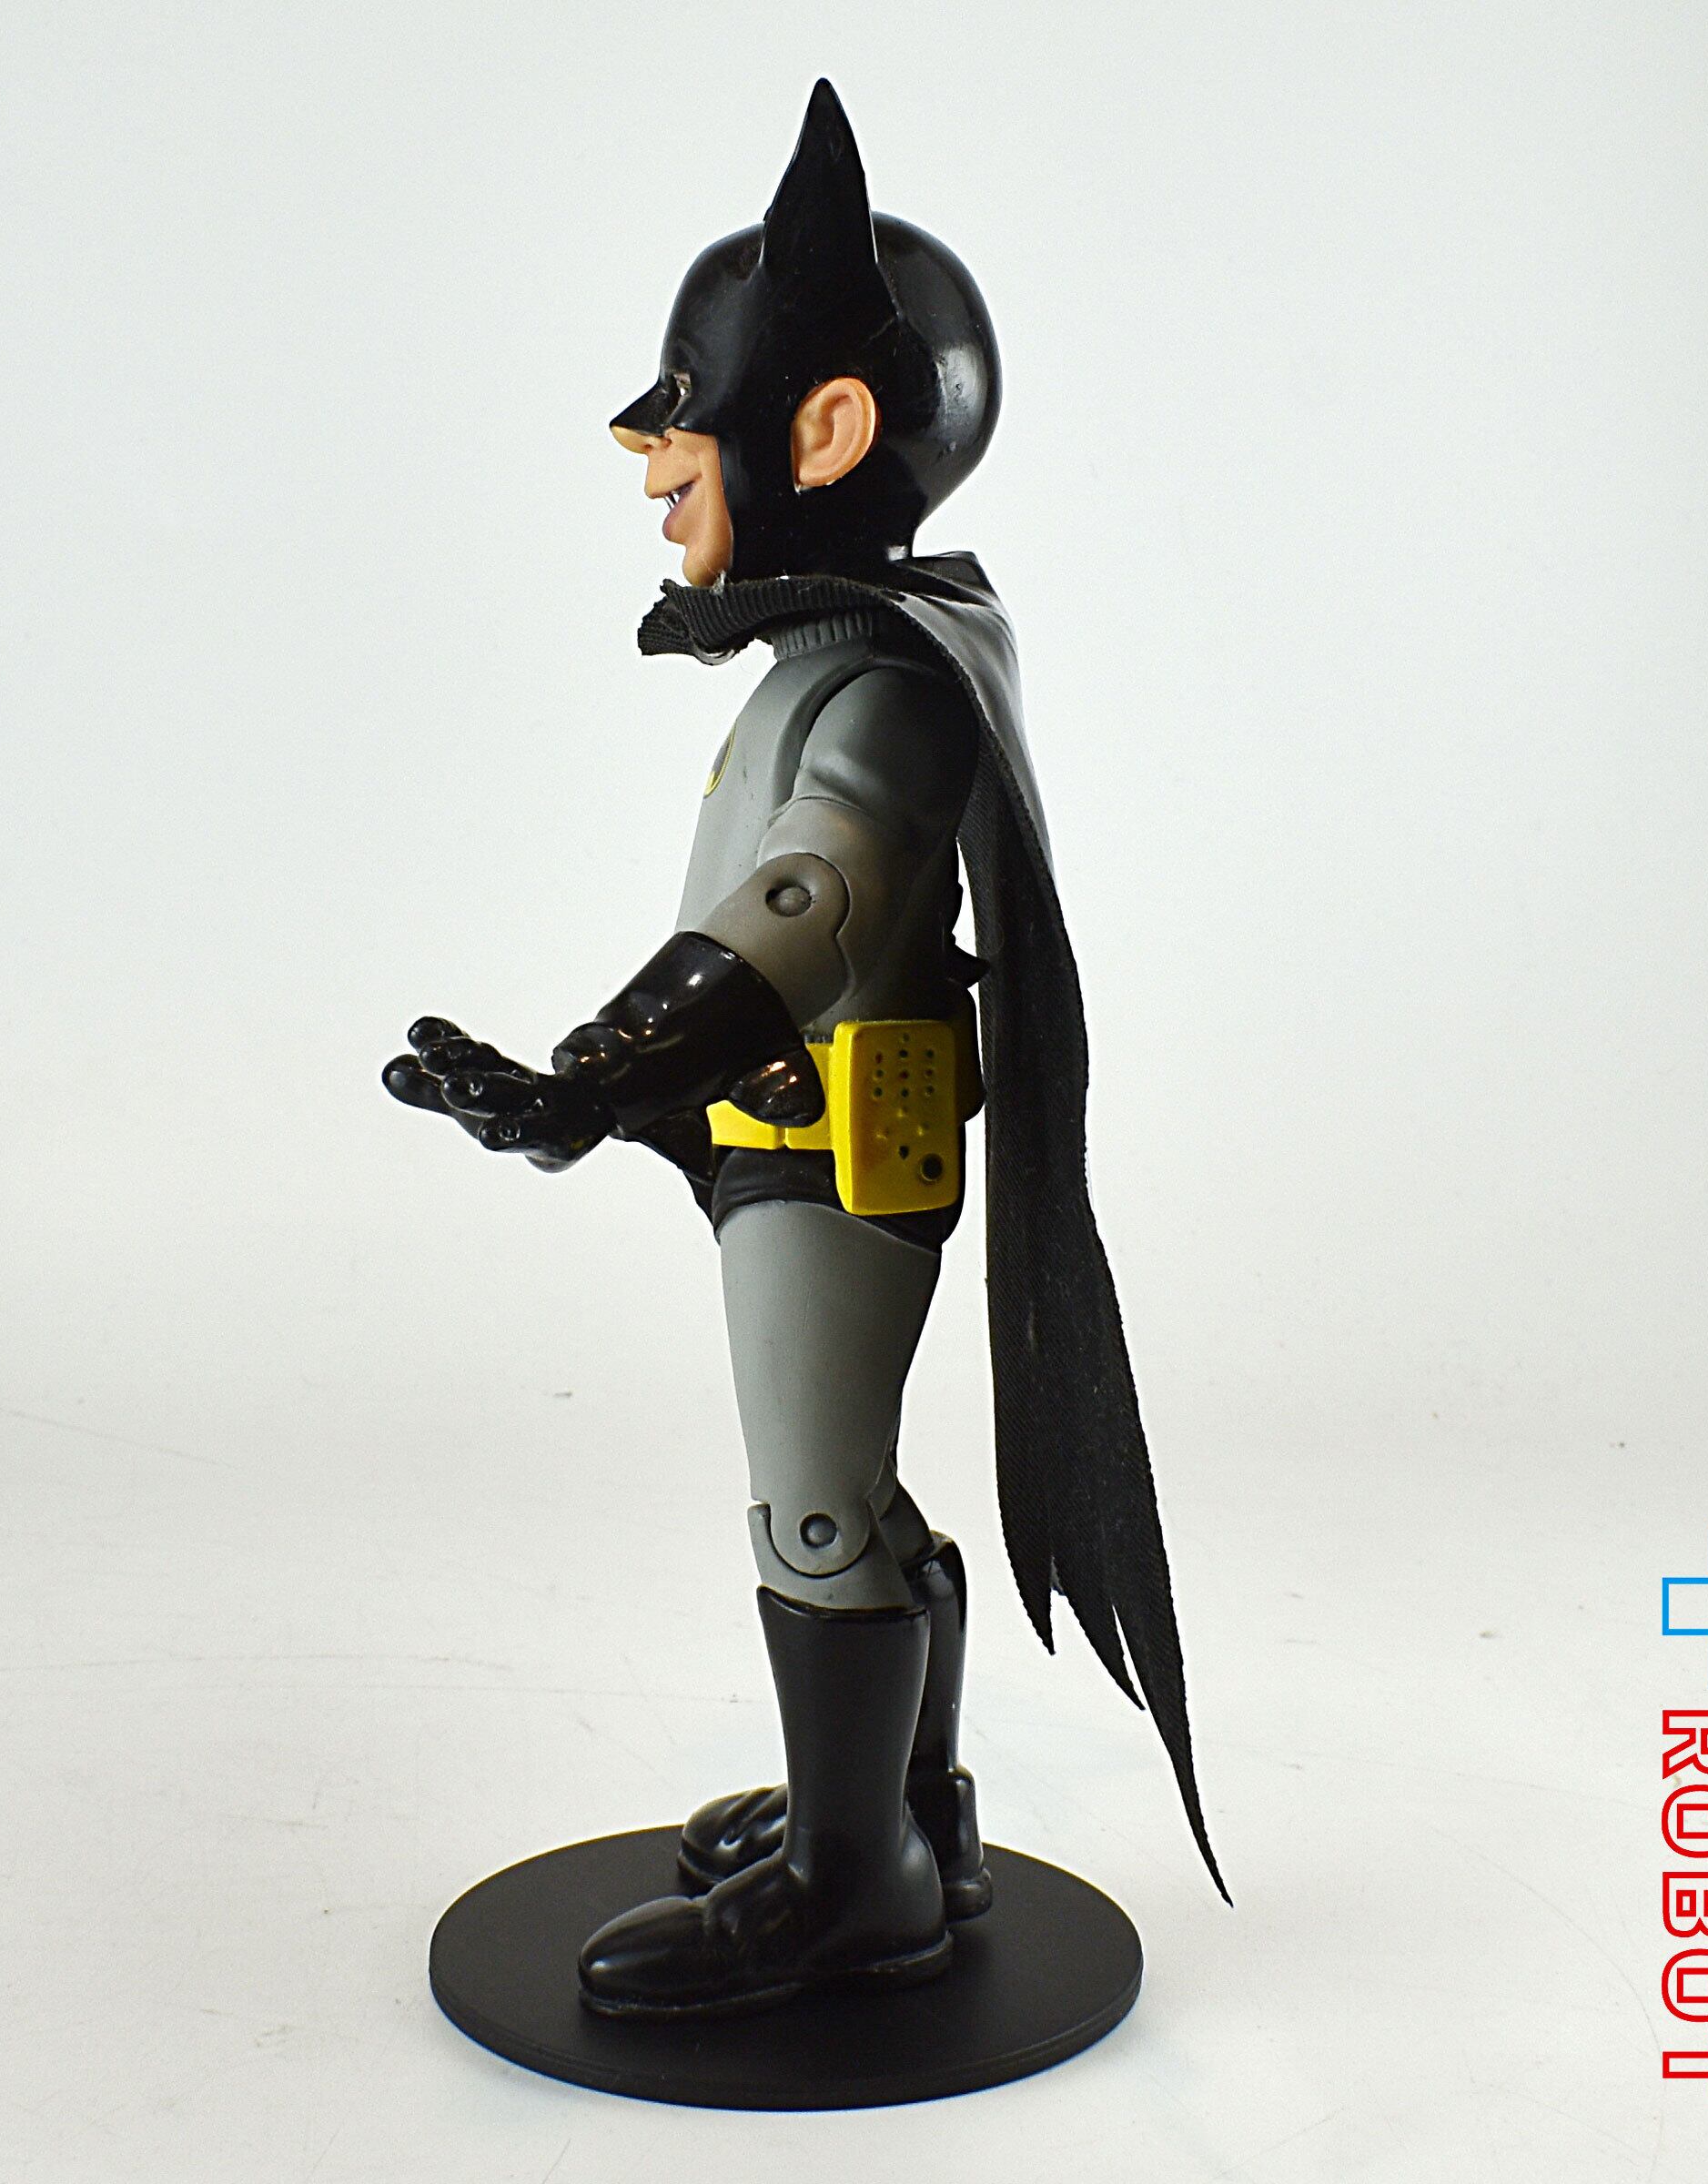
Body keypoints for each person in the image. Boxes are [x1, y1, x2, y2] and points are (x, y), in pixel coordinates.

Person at [385, 79, 1221, 2021]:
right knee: (857, 1491)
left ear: (826, 430)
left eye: (685, 418)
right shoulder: (849, 657)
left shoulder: (882, 686)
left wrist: (603, 1068)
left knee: (815, 1510)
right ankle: (905, 1812)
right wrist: (614, 1091)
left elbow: (810, 906)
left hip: (832, 1143)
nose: (654, 465)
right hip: (797, 1128)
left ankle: (857, 1896)